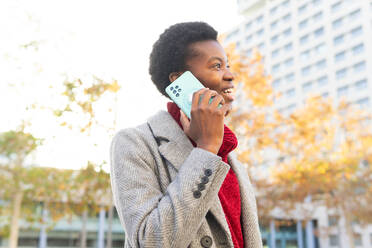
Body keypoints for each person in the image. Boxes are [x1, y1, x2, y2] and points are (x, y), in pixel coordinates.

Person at [110, 22, 262, 248]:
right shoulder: (134, 143)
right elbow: (149, 242)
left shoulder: (232, 159)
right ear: (180, 80)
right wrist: (206, 149)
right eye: (217, 66)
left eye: (227, 66)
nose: (230, 75)